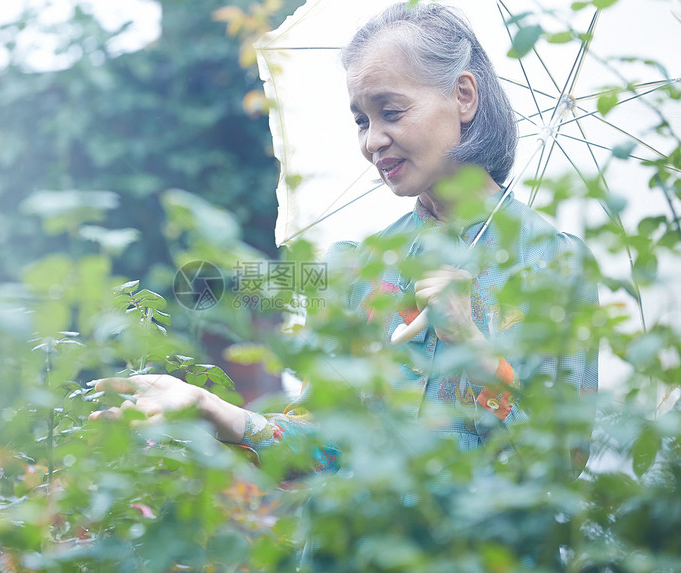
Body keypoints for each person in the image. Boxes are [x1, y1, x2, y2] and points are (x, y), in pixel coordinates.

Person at [89, 2, 598, 474]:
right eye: (361, 120)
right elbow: (322, 447)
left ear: (463, 96)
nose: (372, 140)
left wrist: (471, 344)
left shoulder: (551, 262)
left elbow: (565, 462)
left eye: (391, 112)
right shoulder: (361, 268)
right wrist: (214, 410)